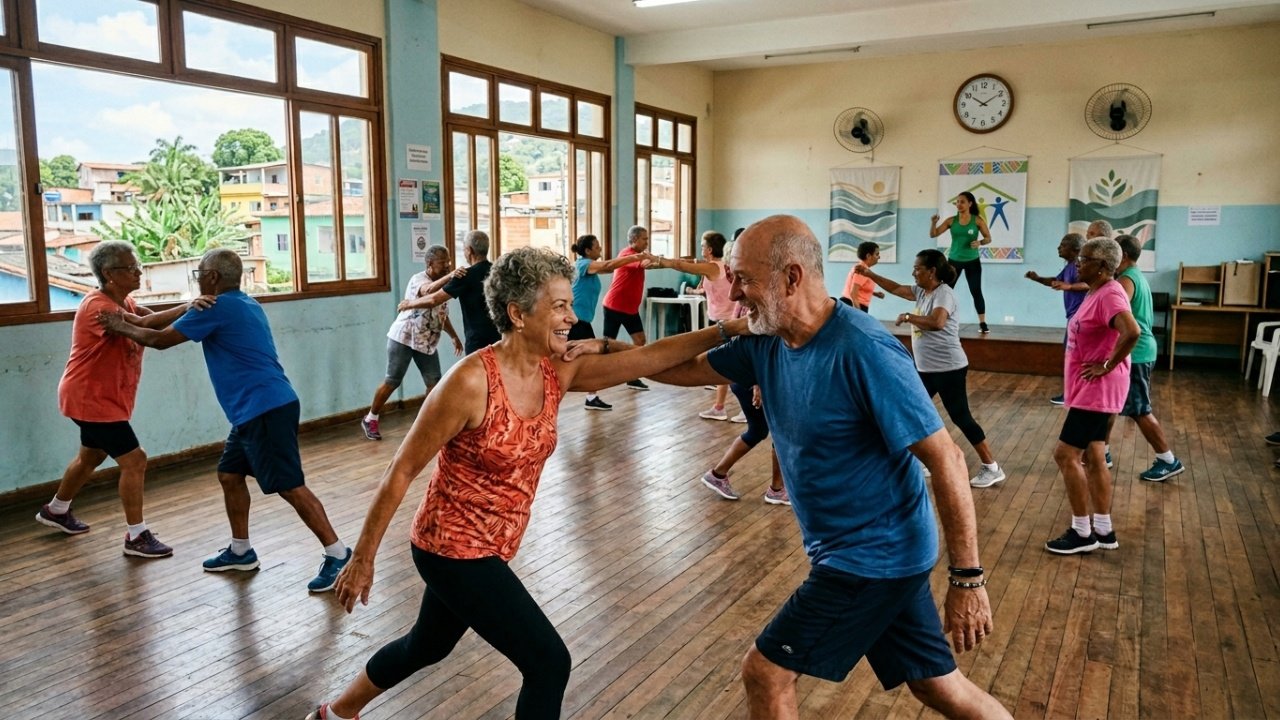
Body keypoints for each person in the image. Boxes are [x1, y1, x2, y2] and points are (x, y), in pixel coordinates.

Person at [307, 247, 751, 720]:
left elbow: (648, 359)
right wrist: (363, 559)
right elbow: (401, 470)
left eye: (569, 304)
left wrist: (729, 329)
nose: (571, 317)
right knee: (548, 662)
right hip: (452, 548)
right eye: (559, 306)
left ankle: (335, 713)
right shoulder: (469, 383)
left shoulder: (556, 371)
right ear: (518, 314)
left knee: (425, 646)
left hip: (496, 543)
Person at [647, 215, 1011, 719]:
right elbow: (682, 369)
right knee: (938, 686)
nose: (734, 290)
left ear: (791, 278)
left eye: (743, 278)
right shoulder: (771, 338)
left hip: (871, 557)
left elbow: (946, 459)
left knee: (766, 672)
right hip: (876, 552)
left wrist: (968, 579)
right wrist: (595, 362)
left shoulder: (864, 349)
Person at [98, 249, 351, 592]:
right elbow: (152, 325)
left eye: (200, 273)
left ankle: (338, 554)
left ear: (213, 277)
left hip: (264, 408)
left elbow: (158, 340)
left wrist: (119, 326)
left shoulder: (217, 307)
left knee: (289, 485)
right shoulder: (243, 302)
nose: (198, 280)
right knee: (230, 474)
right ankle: (241, 550)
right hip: (257, 409)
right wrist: (149, 317)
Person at [34, 241, 210, 559]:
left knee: (91, 456)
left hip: (100, 397)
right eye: (130, 268)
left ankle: (56, 510)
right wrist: (188, 306)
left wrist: (189, 309)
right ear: (108, 273)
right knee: (135, 460)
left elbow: (151, 319)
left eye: (137, 265)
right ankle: (137, 536)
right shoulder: (99, 308)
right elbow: (142, 327)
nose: (138, 271)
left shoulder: (124, 300)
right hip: (91, 398)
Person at [856, 250, 1007, 489]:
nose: (914, 272)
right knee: (909, 409)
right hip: (926, 369)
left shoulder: (944, 294)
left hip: (948, 368)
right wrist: (869, 273)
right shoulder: (921, 291)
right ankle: (925, 460)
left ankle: (992, 467)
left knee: (961, 416)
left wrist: (909, 317)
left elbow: (937, 322)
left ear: (932, 271)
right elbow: (896, 288)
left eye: (918, 269)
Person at [1044, 237, 1140, 555]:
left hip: (1097, 391)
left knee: (1065, 455)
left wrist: (1106, 365)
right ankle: (1103, 529)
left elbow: (1132, 331)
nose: (1077, 264)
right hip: (1090, 390)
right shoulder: (1095, 291)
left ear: (1101, 266)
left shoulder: (1110, 294)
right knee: (1094, 456)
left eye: (1083, 259)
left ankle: (1082, 532)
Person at [360, 245, 462, 440]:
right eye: (443, 263)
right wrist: (451, 276)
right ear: (430, 263)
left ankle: (428, 422)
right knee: (392, 381)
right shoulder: (419, 279)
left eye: (449, 263)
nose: (448, 266)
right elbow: (428, 292)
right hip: (404, 338)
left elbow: (442, 315)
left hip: (426, 341)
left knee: (434, 383)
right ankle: (370, 418)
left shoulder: (444, 286)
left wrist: (454, 336)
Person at [1113, 234, 1185, 482]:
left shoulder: (1125, 281)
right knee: (1111, 404)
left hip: (1137, 352)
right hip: (1139, 350)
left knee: (1140, 410)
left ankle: (1168, 460)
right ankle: (1103, 452)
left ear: (1122, 256)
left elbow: (1116, 319)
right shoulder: (1135, 276)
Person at [653, 230, 738, 420]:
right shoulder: (722, 267)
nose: (701, 249)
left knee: (728, 366)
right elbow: (694, 267)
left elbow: (682, 265)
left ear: (708, 249)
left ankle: (726, 407)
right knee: (727, 366)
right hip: (723, 321)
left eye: (702, 246)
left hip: (725, 323)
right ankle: (720, 407)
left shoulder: (713, 267)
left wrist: (661, 261)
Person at [569, 233, 653, 411]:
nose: (600, 248)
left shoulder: (590, 267)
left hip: (580, 320)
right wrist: (633, 257)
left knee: (590, 356)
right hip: (574, 320)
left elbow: (608, 268)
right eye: (597, 246)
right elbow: (608, 265)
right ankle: (590, 397)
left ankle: (591, 397)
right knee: (593, 356)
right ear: (587, 250)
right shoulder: (583, 264)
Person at [411, 230, 500, 356]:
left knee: (477, 375)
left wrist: (409, 304)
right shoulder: (498, 273)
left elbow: (434, 300)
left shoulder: (465, 275)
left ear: (469, 250)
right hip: (500, 338)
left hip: (477, 341)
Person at [1025, 232, 1088, 405]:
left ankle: (1071, 394)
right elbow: (1055, 281)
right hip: (1073, 317)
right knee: (1071, 354)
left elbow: (1089, 283)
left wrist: (1069, 286)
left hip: (1080, 317)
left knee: (1072, 355)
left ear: (1075, 249)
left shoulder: (1080, 265)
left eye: (1063, 245)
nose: (1058, 248)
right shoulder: (1069, 266)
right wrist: (1037, 279)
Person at [600, 225, 654, 390]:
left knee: (640, 341)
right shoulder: (626, 255)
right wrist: (652, 259)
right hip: (614, 307)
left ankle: (632, 377)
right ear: (635, 239)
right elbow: (644, 264)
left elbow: (646, 261)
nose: (647, 241)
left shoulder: (638, 255)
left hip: (630, 309)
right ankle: (598, 376)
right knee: (607, 344)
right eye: (644, 239)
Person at [930, 191, 992, 333]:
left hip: (972, 261)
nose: (959, 204)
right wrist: (933, 223)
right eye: (957, 202)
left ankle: (982, 323)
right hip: (954, 261)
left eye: (962, 202)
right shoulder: (951, 221)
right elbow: (933, 234)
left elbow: (988, 238)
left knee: (976, 291)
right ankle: (939, 319)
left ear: (970, 203)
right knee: (945, 291)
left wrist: (980, 242)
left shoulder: (977, 220)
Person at [841, 241, 886, 312]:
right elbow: (853, 294)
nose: (879, 257)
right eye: (877, 254)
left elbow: (859, 288)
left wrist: (874, 293)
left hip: (852, 304)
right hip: (853, 305)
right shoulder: (862, 270)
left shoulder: (862, 268)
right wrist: (859, 315)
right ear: (868, 256)